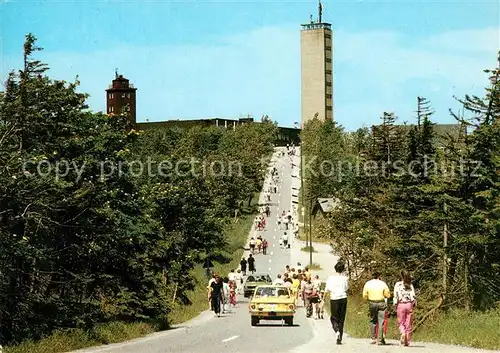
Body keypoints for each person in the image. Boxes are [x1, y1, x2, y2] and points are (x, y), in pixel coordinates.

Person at [362, 272, 391, 345]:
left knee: (372, 320)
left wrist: (368, 299)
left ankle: (373, 338)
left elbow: (364, 295)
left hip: (372, 303)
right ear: (379, 276)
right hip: (381, 303)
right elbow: (387, 295)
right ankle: (380, 340)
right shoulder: (383, 283)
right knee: (381, 321)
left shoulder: (368, 283)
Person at [325, 261, 349, 345]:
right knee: (341, 319)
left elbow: (327, 289)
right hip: (343, 298)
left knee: (334, 318)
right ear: (342, 269)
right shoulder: (345, 278)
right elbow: (346, 288)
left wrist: (323, 299)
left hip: (334, 298)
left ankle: (337, 330)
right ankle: (340, 339)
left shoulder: (330, 278)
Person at [393, 270, 417, 346]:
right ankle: (407, 339)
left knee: (401, 322)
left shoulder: (397, 284)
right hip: (409, 304)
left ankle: (403, 333)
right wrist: (413, 304)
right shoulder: (410, 285)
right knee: (408, 322)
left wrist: (395, 304)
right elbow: (413, 296)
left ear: (401, 276)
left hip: (401, 304)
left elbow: (395, 295)